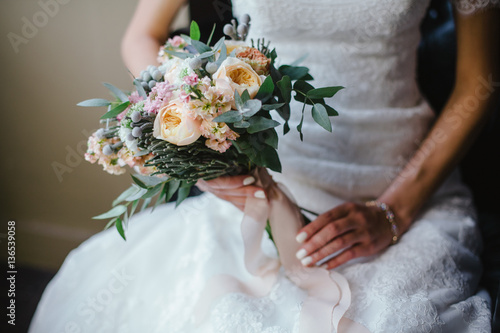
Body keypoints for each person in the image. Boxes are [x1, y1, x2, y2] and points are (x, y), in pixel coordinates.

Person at [30, 0, 499, 332]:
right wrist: (197, 129)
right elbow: (142, 36)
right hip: (265, 181)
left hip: (400, 184)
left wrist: (393, 212)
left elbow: (480, 82)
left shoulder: (397, 205)